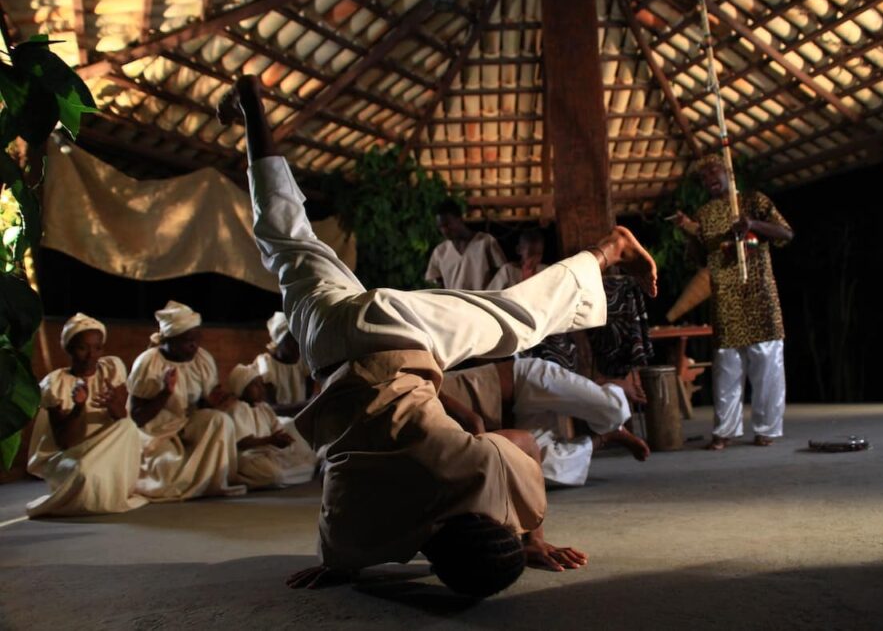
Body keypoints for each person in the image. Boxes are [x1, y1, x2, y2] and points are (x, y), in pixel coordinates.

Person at [218, 75, 656, 597]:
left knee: (516, 317)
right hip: (333, 339)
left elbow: (523, 446)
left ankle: (609, 250)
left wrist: (534, 535)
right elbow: (339, 551)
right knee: (286, 238)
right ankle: (252, 108)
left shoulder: (476, 472)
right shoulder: (354, 531)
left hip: (403, 329)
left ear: (491, 523)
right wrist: (340, 567)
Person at [673, 155, 793, 450]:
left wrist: (753, 224)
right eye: (704, 178)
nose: (709, 179)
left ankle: (767, 429)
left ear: (728, 172)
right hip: (726, 297)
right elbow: (699, 259)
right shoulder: (705, 213)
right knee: (727, 366)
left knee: (767, 364)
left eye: (713, 172)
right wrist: (688, 231)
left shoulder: (754, 201)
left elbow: (786, 233)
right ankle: (725, 430)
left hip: (759, 295)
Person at [439, 358, 649, 487]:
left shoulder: (417, 384)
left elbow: (473, 422)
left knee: (612, 408)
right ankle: (607, 437)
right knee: (541, 471)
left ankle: (609, 385)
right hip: (516, 416)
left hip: (524, 379)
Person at [25, 314, 148, 517]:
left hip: (108, 453)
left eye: (97, 348)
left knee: (127, 426)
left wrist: (112, 404)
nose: (91, 355)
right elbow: (65, 441)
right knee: (84, 472)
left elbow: (122, 416)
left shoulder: (111, 369)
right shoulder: (56, 383)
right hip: (70, 457)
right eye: (83, 348)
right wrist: (79, 407)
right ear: (69, 349)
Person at [127, 301, 246, 499]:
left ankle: (213, 484)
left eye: (196, 339)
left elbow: (201, 406)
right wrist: (165, 393)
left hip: (187, 424)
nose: (194, 345)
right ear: (168, 340)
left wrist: (211, 403)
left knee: (219, 420)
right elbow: (138, 418)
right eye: (186, 340)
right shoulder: (149, 362)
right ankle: (189, 483)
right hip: (156, 432)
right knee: (166, 468)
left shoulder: (202, 359)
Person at [225, 364, 318, 488]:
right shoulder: (236, 408)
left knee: (309, 463)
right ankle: (242, 478)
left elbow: (277, 429)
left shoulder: (264, 408)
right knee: (275, 475)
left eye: (261, 384)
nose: (261, 389)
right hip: (249, 457)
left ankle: (275, 477)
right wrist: (271, 440)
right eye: (255, 385)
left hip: (268, 453)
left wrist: (284, 439)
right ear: (241, 387)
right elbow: (242, 443)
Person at [425, 199, 506, 290]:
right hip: (453, 303)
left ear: (459, 219)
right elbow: (433, 280)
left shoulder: (485, 242)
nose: (444, 230)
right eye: (441, 227)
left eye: (448, 225)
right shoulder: (440, 252)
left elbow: (502, 274)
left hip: (480, 302)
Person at [253, 311, 313, 414]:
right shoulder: (267, 364)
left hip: (301, 419)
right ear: (278, 342)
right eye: (291, 340)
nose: (297, 344)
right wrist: (306, 405)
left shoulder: (303, 362)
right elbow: (272, 409)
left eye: (299, 338)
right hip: (278, 425)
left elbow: (309, 397)